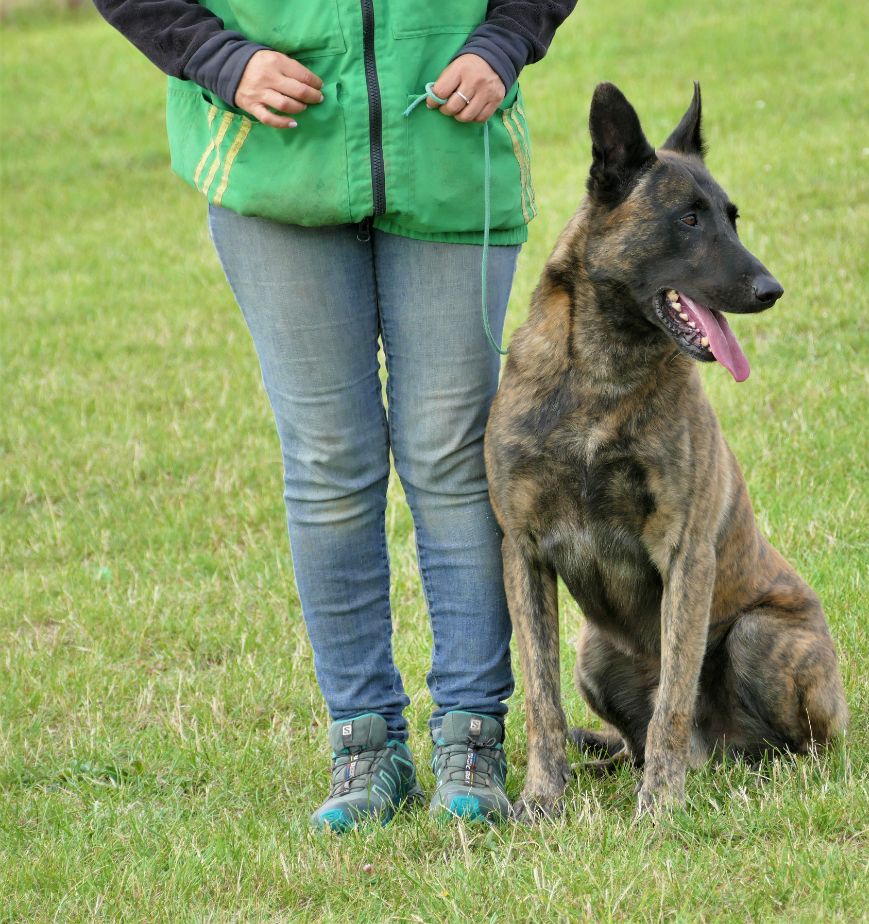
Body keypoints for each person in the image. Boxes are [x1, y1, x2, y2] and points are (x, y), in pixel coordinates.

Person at [93, 0, 576, 830]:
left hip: (451, 153)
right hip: (276, 163)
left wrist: (504, 40)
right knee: (328, 465)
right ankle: (365, 744)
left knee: (455, 461)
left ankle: (473, 734)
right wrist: (217, 56)